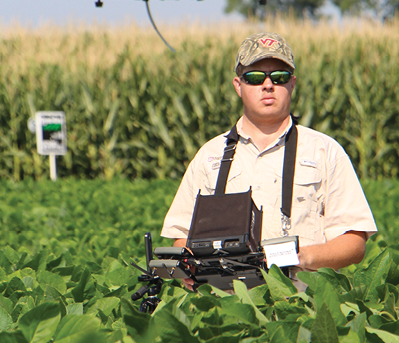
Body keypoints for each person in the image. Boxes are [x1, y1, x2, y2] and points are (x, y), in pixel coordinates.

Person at [160, 32, 377, 291]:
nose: (267, 85)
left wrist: (302, 257)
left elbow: (354, 242)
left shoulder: (325, 151)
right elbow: (182, 237)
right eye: (254, 77)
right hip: (226, 309)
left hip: (302, 307)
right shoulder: (210, 156)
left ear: (292, 84)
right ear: (238, 86)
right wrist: (189, 266)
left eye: (279, 77)